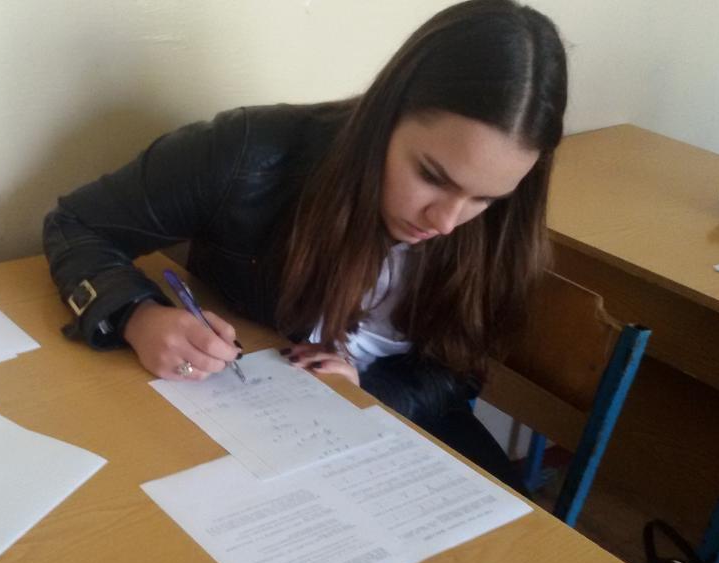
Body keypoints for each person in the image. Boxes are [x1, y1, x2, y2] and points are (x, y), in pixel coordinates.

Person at [43, 0, 567, 493]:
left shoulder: (503, 226)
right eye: (431, 176)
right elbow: (76, 224)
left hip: (401, 425)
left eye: (485, 198)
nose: (447, 222)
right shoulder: (248, 153)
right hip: (245, 421)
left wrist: (370, 390)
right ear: (386, 114)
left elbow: (459, 370)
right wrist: (136, 316)